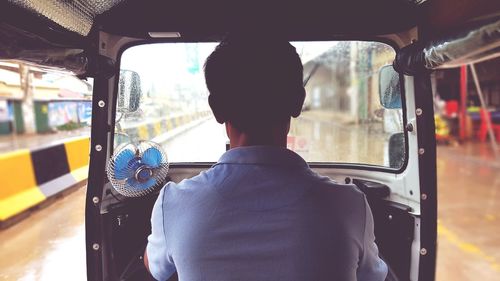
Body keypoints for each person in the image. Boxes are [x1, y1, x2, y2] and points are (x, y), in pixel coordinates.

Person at [144, 34, 388, 281]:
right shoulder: (348, 206)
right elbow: (372, 275)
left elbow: (156, 268)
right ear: (298, 101)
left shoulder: (174, 204)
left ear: (216, 108)